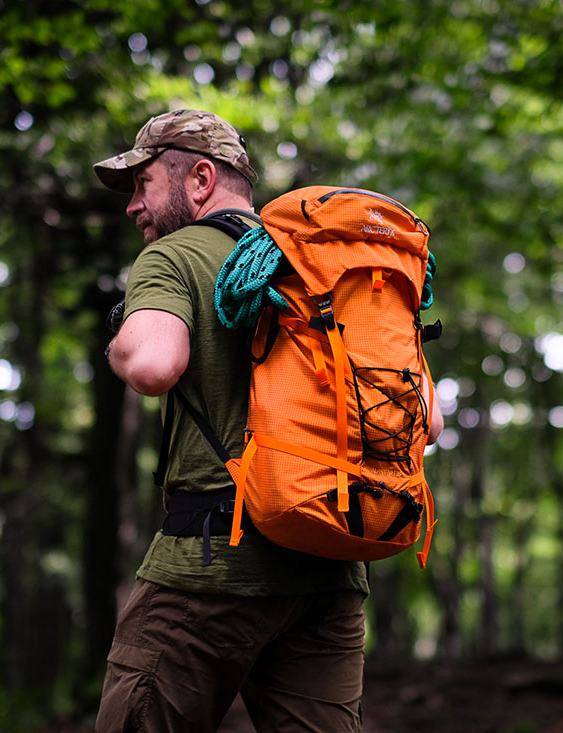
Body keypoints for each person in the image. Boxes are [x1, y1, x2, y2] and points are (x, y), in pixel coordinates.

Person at [92, 109, 442, 732]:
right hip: (331, 568)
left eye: (143, 183)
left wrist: (120, 335)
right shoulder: (324, 263)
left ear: (199, 178)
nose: (132, 206)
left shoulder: (175, 256)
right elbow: (430, 422)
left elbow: (151, 365)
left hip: (211, 569)